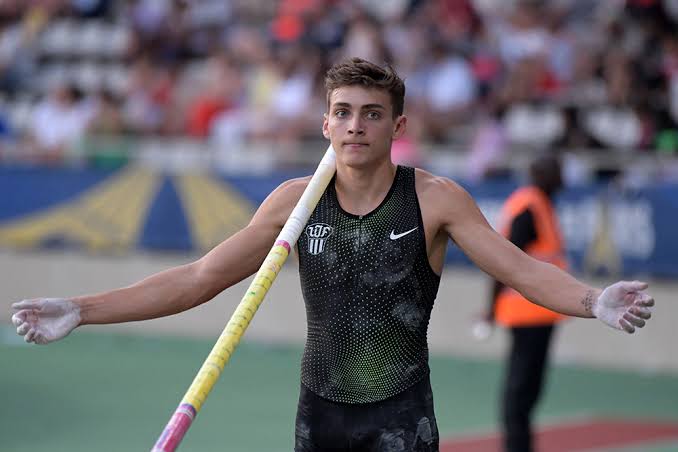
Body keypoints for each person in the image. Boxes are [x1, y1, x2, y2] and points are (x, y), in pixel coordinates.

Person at [11, 58, 654, 452]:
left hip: (402, 419)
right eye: (342, 113)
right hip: (318, 419)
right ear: (325, 125)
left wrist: (592, 300)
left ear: (397, 128)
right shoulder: (295, 203)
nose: (355, 125)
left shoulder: (435, 200)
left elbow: (520, 270)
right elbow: (199, 277)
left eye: (371, 114)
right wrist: (83, 308)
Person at [480, 154, 568, 452]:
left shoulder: (541, 204)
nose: (562, 178)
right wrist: (491, 308)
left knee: (528, 391)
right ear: (541, 175)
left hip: (541, 312)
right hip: (527, 312)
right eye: (556, 172)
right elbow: (504, 262)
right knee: (519, 392)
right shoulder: (529, 208)